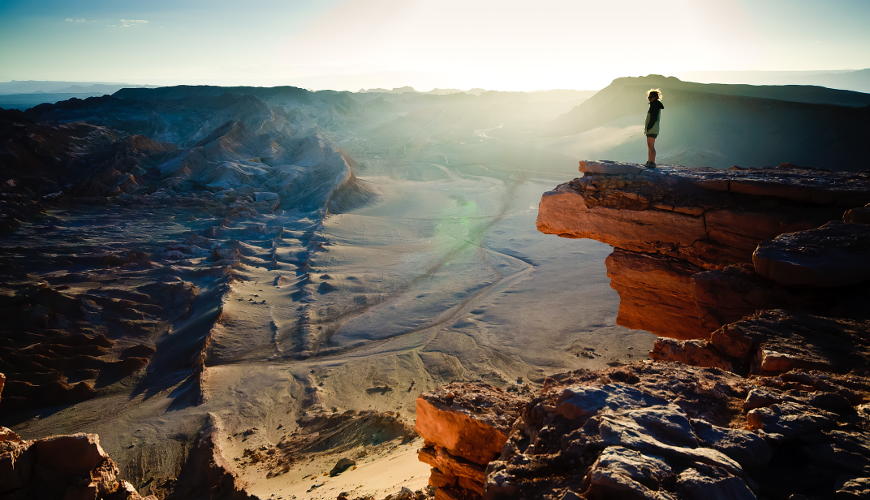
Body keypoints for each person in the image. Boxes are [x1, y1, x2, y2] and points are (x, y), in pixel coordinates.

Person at [644, 89, 664, 168]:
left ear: (655, 97)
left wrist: (649, 127)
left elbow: (653, 118)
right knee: (650, 145)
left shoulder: (655, 105)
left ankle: (652, 162)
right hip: (653, 128)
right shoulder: (655, 104)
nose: (649, 98)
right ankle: (650, 161)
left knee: (651, 145)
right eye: (649, 97)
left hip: (652, 128)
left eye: (651, 97)